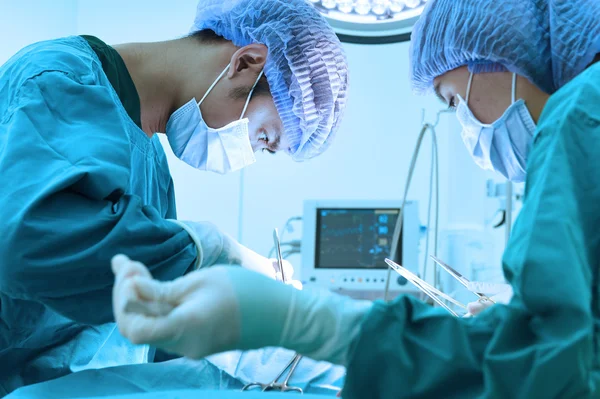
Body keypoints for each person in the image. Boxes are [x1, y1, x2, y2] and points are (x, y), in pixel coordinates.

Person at [111, 0, 600, 398]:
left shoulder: (580, 116)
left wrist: (304, 321)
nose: (464, 126)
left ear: (504, 52)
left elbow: (548, 365)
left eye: (452, 100)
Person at [0, 0, 348, 395]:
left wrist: (246, 345)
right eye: (264, 138)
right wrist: (213, 258)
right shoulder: (56, 80)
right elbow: (34, 246)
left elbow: (146, 312)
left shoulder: (152, 165)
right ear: (247, 62)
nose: (250, 154)